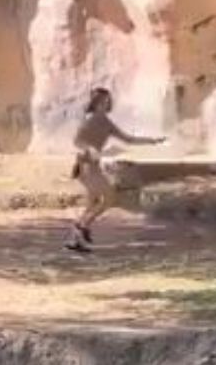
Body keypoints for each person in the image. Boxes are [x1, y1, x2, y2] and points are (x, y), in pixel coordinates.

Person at [64, 88, 166, 253]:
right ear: (95, 102)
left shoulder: (106, 122)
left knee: (92, 204)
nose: (106, 104)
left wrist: (152, 141)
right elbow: (77, 141)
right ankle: (81, 227)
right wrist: (89, 149)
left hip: (93, 166)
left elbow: (128, 139)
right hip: (86, 167)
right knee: (109, 198)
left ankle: (77, 237)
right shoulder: (90, 119)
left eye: (107, 101)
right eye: (103, 101)